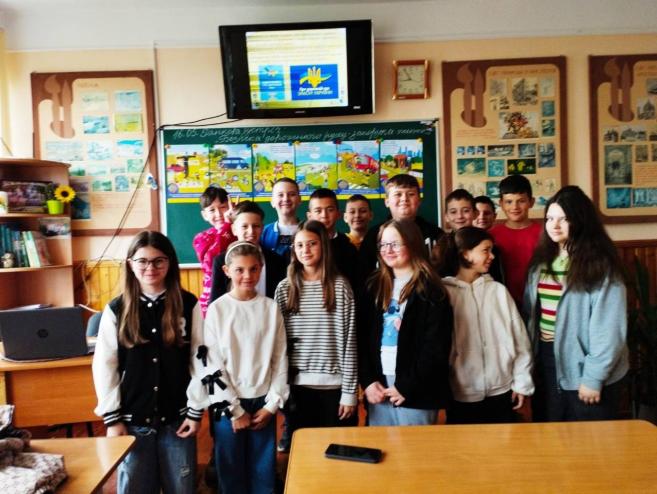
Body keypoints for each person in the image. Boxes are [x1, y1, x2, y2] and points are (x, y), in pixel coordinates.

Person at [92, 231, 202, 494]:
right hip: (133, 421)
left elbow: (200, 360)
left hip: (177, 420)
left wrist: (196, 410)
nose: (150, 268)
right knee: (135, 486)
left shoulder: (188, 304)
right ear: (131, 264)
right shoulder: (117, 309)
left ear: (170, 263)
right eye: (142, 261)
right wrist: (112, 419)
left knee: (182, 487)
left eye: (158, 261)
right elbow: (105, 365)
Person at [188, 241, 288, 494]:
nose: (247, 276)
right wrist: (234, 409)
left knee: (263, 473)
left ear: (261, 268)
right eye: (240, 270)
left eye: (254, 269)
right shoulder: (217, 310)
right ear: (226, 271)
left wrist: (271, 405)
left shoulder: (270, 308)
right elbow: (211, 364)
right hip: (229, 405)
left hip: (263, 402)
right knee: (231, 473)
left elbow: (280, 358)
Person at [523, 186, 629, 422]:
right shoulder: (540, 262)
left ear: (580, 221)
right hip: (547, 357)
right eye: (550, 218)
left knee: (589, 437)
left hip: (586, 363)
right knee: (551, 431)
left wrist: (593, 377)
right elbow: (531, 316)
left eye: (564, 219)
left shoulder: (600, 266)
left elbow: (609, 330)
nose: (555, 225)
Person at [358, 219, 452, 426]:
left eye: (395, 244)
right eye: (383, 244)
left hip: (417, 388)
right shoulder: (373, 287)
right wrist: (368, 381)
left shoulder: (431, 290)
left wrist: (407, 386)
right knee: (380, 444)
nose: (388, 250)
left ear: (413, 244)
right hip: (380, 386)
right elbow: (361, 339)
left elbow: (436, 347)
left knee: (414, 445)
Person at [274, 220, 358, 436]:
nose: (306, 250)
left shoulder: (340, 286)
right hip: (297, 386)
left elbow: (350, 342)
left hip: (335, 387)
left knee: (338, 448)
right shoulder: (285, 288)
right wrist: (279, 386)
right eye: (300, 245)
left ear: (324, 246)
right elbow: (278, 344)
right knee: (304, 449)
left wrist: (350, 392)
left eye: (312, 244)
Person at [443, 226, 533, 424]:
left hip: (501, 390)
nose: (491, 256)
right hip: (460, 394)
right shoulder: (445, 293)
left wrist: (522, 382)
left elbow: (520, 341)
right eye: (485, 250)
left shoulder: (499, 292)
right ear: (465, 254)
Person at [359, 174, 444, 281]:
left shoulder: (436, 234)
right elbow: (364, 276)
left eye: (411, 194)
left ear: (419, 200)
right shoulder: (373, 236)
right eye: (398, 194)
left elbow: (445, 272)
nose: (404, 199)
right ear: (387, 202)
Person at [209, 200, 287, 303]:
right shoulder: (221, 261)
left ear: (262, 228)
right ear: (234, 229)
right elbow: (215, 301)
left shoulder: (277, 261)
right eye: (244, 226)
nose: (251, 231)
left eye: (256, 226)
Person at [490, 175, 542, 307]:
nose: (515, 207)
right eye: (509, 202)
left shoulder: (544, 234)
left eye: (521, 201)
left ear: (531, 202)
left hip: (537, 301)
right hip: (501, 302)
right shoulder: (491, 236)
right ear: (501, 203)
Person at [192, 186, 236, 317]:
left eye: (223, 207)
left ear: (231, 207)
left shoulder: (239, 232)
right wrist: (227, 226)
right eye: (212, 210)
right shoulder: (201, 238)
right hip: (213, 296)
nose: (219, 214)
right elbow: (212, 262)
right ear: (204, 215)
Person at [306, 188, 358, 290]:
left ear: (338, 214)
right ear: (309, 216)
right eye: (318, 211)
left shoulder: (348, 247)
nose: (324, 215)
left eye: (330, 210)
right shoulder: (303, 248)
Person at [261, 177, 301, 259]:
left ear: (299, 200)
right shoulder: (263, 233)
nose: (286, 199)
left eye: (292, 194)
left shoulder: (309, 230)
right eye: (280, 195)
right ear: (272, 202)